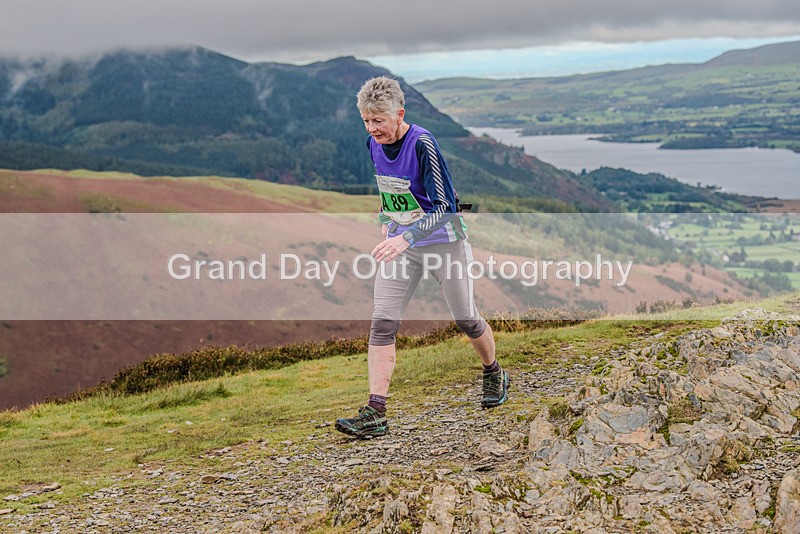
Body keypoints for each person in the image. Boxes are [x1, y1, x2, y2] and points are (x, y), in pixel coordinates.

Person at [335, 76, 509, 439]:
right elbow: (390, 188)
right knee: (382, 323)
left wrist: (408, 237)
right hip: (403, 243)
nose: (372, 129)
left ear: (399, 114)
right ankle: (376, 411)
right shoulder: (372, 143)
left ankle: (494, 371)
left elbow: (445, 206)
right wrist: (389, 222)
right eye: (366, 121)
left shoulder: (423, 143)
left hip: (444, 241)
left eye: (379, 120)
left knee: (465, 318)